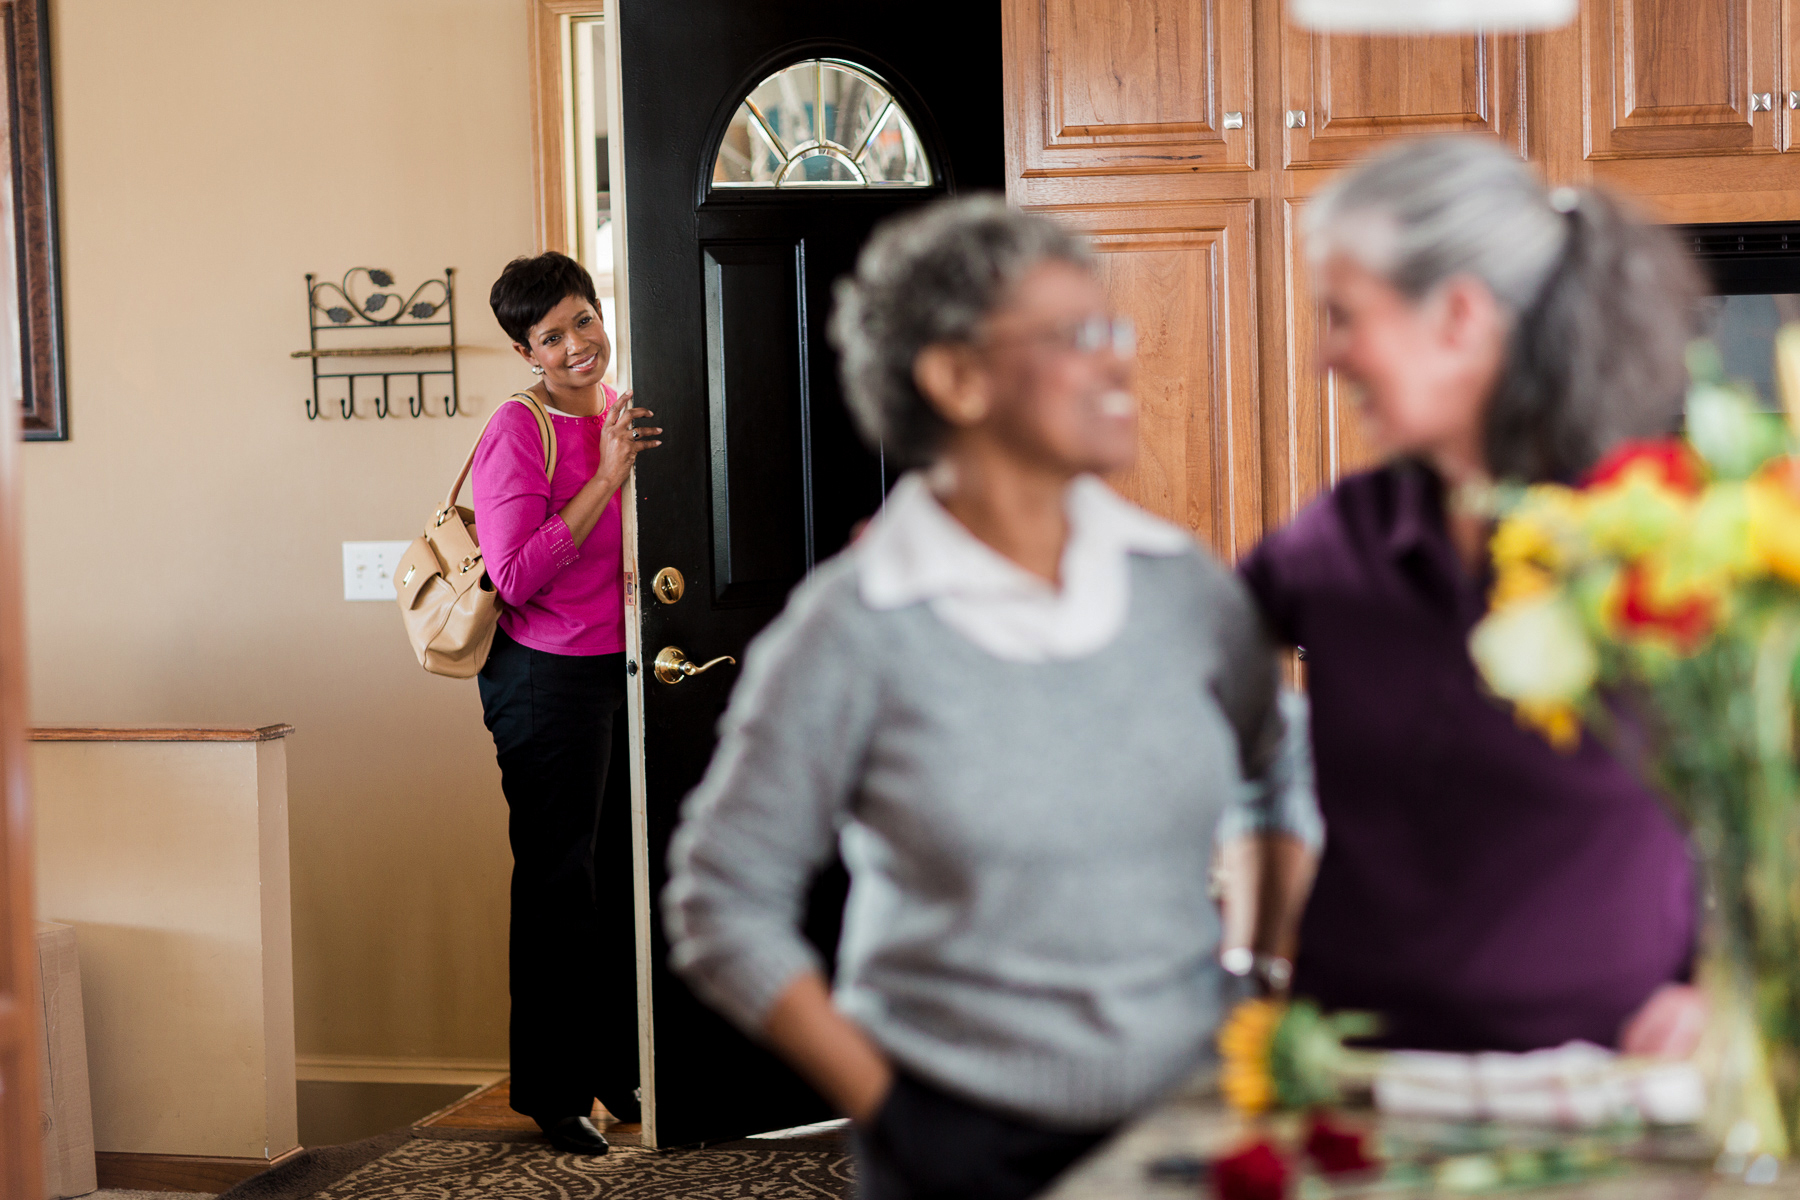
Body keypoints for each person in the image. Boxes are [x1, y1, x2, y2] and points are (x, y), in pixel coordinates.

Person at [661, 197, 1315, 1200]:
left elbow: (1277, 771)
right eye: (1074, 336)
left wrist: (1256, 979)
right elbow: (720, 900)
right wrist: (893, 1107)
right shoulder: (856, 626)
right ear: (956, 377)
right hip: (960, 1152)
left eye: (1114, 328)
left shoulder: (1182, 587)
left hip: (1194, 1123)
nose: (1118, 362)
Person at [1238, 136, 1707, 1058]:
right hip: (1359, 1099)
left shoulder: (1660, 536)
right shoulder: (1337, 538)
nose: (1326, 355)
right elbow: (1165, 656)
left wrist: (1725, 992)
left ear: (1458, 318)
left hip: (1616, 1091)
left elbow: (1769, 803)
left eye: (1344, 315)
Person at [472, 251, 661, 1155]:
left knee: (624, 875)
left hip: (628, 669)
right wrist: (605, 480)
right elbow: (511, 576)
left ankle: (620, 1068)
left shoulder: (624, 411)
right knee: (560, 884)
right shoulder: (519, 429)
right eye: (552, 336)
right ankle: (555, 1094)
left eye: (584, 320)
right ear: (526, 352)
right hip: (544, 681)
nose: (578, 345)